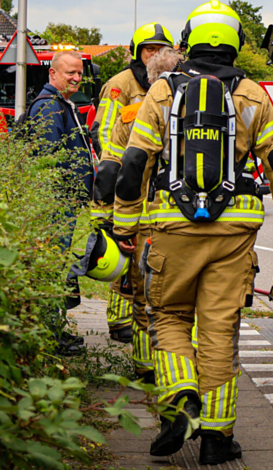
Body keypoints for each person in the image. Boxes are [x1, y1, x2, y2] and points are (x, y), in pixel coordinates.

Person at [111, 0, 273, 464]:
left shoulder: (162, 92)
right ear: (235, 42)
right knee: (220, 328)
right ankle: (217, 440)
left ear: (188, 42)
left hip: (172, 230)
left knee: (169, 317)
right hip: (233, 235)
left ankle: (181, 399)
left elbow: (134, 163)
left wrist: (123, 225)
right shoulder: (253, 95)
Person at [90, 23, 175, 346]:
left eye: (160, 49)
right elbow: (105, 132)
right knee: (125, 255)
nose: (155, 54)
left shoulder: (168, 84)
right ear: (137, 52)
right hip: (127, 178)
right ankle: (118, 319)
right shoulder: (120, 85)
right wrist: (122, 171)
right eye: (149, 49)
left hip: (154, 187)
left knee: (144, 259)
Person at [28, 49, 96, 354]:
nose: (76, 78)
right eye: (70, 72)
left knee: (54, 269)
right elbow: (48, 157)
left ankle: (52, 332)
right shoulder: (49, 107)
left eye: (79, 73)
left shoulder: (62, 104)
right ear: (52, 73)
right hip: (55, 204)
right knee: (49, 269)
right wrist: (64, 193)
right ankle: (49, 337)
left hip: (62, 202)